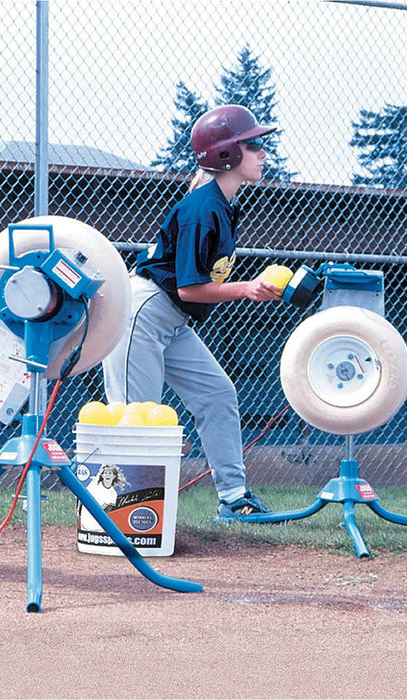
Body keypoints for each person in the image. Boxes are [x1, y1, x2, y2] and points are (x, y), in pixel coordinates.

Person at [103, 104, 282, 523]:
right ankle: (121, 515)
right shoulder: (203, 208)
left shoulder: (222, 204)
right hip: (144, 313)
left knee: (217, 394)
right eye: (252, 145)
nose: (262, 153)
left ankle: (233, 498)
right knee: (136, 416)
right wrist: (247, 288)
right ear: (226, 154)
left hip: (172, 319)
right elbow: (188, 288)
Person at [78, 463, 131, 532]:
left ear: (114, 476)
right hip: (86, 516)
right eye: (105, 473)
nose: (107, 475)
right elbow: (83, 498)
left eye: (110, 473)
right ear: (102, 475)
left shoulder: (113, 494)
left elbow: (106, 511)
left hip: (98, 522)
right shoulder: (94, 484)